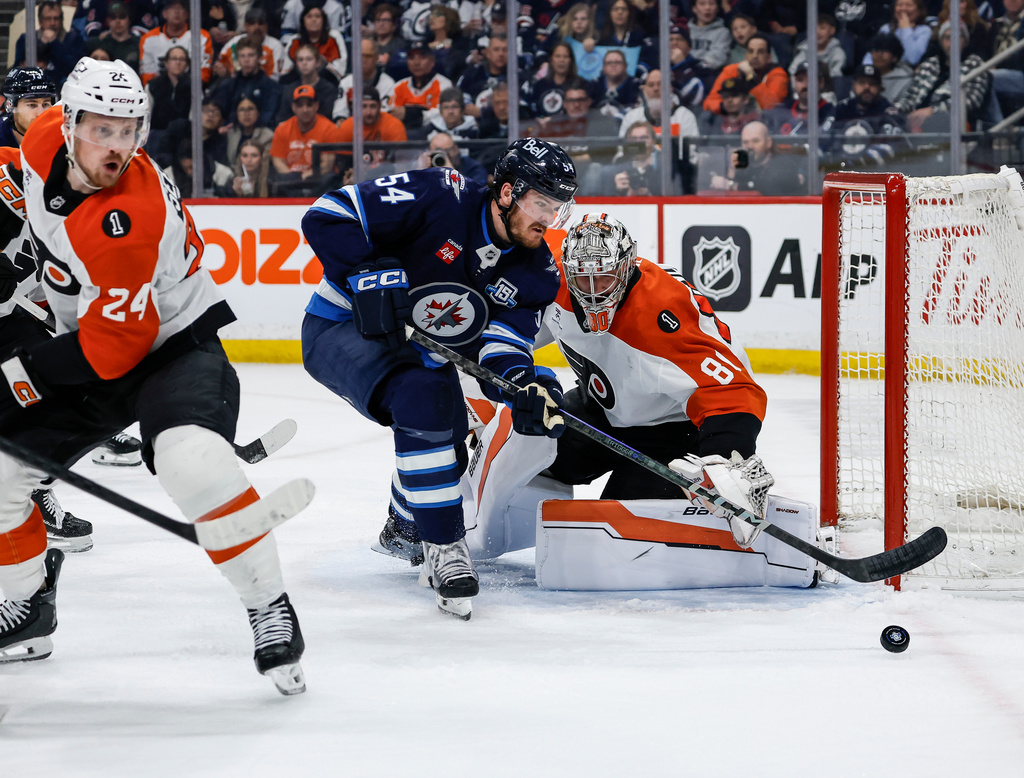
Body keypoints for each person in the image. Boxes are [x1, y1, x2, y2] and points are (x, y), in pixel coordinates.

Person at [0, 58, 306, 694]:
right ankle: (26, 606)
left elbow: (111, 354)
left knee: (193, 463)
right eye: (102, 130)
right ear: (69, 121)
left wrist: (15, 374)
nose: (117, 147)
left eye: (129, 131)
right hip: (96, 334)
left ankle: (267, 603)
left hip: (171, 348)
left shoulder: (125, 224)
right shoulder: (38, 138)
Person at [300, 137, 578, 619]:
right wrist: (370, 273)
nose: (548, 219)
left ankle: (406, 524)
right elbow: (328, 212)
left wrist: (526, 387)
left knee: (448, 439)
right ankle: (444, 546)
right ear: (508, 192)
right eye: (541, 204)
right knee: (424, 402)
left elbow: (501, 347)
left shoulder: (537, 272)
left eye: (557, 208)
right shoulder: (440, 194)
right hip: (342, 326)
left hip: (422, 354)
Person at [892, 20, 992, 132]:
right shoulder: (930, 64)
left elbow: (970, 100)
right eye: (947, 38)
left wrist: (932, 111)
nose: (951, 43)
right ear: (941, 41)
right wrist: (895, 111)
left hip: (952, 125)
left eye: (957, 38)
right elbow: (911, 96)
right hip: (915, 122)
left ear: (965, 41)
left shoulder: (975, 64)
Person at [820, 64, 909, 171]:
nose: (867, 87)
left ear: (880, 87)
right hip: (839, 172)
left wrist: (856, 163)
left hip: (875, 176)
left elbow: (897, 147)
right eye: (862, 82)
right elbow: (822, 139)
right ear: (853, 85)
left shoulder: (889, 113)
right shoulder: (841, 109)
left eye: (872, 84)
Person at [270, 85, 344, 192]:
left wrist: (308, 176)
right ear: (293, 107)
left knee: (329, 178)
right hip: (291, 179)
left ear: (316, 106)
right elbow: (278, 160)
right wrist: (293, 178)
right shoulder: (282, 129)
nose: (305, 110)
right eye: (300, 105)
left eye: (309, 105)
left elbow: (327, 164)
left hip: (318, 179)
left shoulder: (329, 128)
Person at [711, 120, 805, 195]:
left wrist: (731, 185)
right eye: (745, 142)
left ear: (768, 142)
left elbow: (767, 186)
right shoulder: (743, 165)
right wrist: (731, 172)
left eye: (755, 141)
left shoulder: (783, 163)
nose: (750, 146)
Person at [704, 34, 789, 114]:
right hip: (732, 120)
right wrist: (728, 107)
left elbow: (771, 106)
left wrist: (752, 77)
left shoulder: (778, 74)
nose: (755, 56)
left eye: (760, 52)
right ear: (746, 55)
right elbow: (708, 103)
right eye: (751, 51)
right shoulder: (731, 70)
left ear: (769, 58)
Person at [212, 36, 282, 129]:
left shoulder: (271, 87)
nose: (246, 60)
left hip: (261, 135)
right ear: (238, 59)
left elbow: (269, 116)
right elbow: (221, 113)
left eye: (251, 55)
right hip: (232, 134)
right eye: (242, 56)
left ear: (260, 58)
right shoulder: (228, 86)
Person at [335, 86, 408, 176]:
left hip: (386, 176)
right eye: (364, 106)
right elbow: (342, 163)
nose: (368, 112)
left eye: (373, 106)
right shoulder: (347, 126)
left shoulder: (394, 125)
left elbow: (402, 165)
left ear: (380, 106)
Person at [138, 0, 213, 85]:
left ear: (188, 13)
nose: (177, 12)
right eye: (172, 8)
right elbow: (147, 75)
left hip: (190, 89)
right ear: (164, 13)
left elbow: (204, 74)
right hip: (158, 91)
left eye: (181, 8)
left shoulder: (201, 36)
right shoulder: (148, 39)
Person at [14, 1, 86, 87]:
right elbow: (17, 68)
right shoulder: (26, 39)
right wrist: (41, 44)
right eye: (48, 19)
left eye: (56, 18)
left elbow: (75, 68)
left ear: (62, 20)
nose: (52, 23)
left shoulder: (74, 39)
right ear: (40, 21)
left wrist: (54, 43)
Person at [391, 42, 455, 131]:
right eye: (411, 58)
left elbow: (442, 114)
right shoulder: (398, 86)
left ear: (432, 61)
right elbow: (392, 113)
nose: (416, 63)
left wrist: (409, 114)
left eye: (422, 57)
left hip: (434, 132)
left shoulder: (444, 85)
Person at [333, 39, 397, 122]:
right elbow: (339, 112)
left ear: (376, 58)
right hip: (352, 128)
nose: (363, 60)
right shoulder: (346, 82)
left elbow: (387, 114)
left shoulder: (388, 84)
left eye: (368, 56)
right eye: (360, 56)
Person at [276, 44, 335, 124]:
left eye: (309, 59)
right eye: (300, 60)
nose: (304, 63)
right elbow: (282, 118)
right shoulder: (289, 90)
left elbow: (327, 118)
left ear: (318, 62)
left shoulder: (328, 89)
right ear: (296, 64)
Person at [83, 2, 141, 74]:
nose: (118, 21)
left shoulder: (139, 43)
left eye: (122, 17)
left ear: (129, 20)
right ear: (108, 21)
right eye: (113, 17)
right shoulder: (98, 43)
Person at [788, 13, 846, 79]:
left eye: (822, 28)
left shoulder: (837, 52)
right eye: (814, 28)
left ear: (832, 30)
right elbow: (793, 70)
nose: (817, 32)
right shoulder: (805, 50)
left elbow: (836, 76)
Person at [422, 131, 488, 185]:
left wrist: (451, 173)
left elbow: (474, 194)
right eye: (436, 153)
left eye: (447, 151)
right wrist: (421, 171)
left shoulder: (474, 168)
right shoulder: (428, 168)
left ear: (456, 149)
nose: (441, 157)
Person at [225, 96, 275, 168]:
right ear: (236, 114)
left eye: (250, 109)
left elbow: (265, 165)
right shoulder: (231, 133)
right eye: (242, 110)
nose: (246, 113)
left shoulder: (268, 136)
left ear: (258, 113)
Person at [867, 33, 915, 107]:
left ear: (895, 57)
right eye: (876, 50)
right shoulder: (864, 75)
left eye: (884, 50)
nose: (879, 54)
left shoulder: (906, 81)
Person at [690, 0, 732, 75]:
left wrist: (690, 67)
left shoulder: (723, 32)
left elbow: (716, 59)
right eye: (702, 4)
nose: (707, 8)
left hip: (710, 76)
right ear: (694, 8)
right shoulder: (685, 31)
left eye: (712, 3)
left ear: (717, 8)